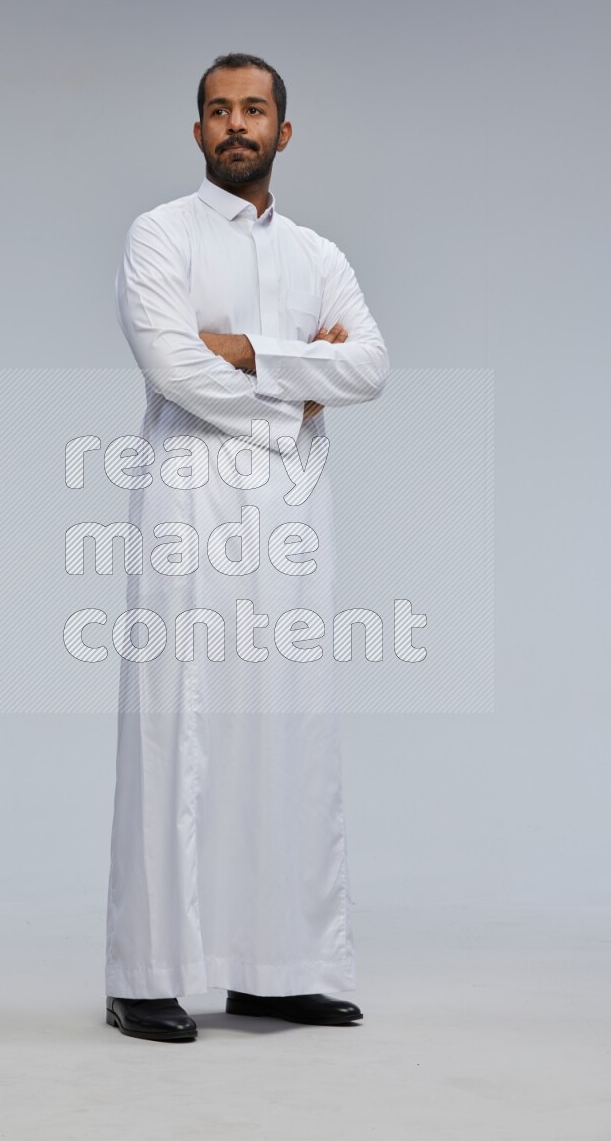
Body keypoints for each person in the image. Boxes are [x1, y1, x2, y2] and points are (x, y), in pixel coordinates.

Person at [105, 52, 389, 1042]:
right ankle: (145, 971)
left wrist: (251, 349)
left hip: (292, 520)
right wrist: (291, 389)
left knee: (285, 731)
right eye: (218, 110)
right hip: (190, 505)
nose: (236, 124)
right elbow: (172, 363)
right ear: (196, 133)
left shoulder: (317, 253)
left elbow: (370, 364)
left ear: (283, 130)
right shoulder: (161, 235)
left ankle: (276, 967)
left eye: (253, 109)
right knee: (174, 726)